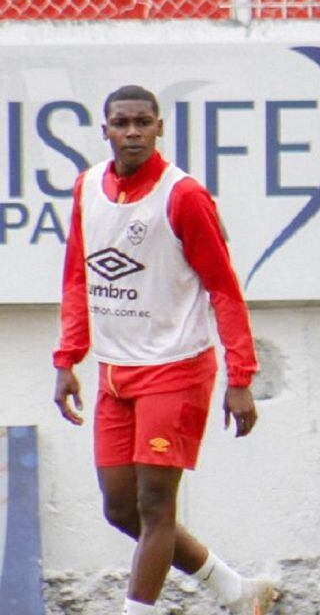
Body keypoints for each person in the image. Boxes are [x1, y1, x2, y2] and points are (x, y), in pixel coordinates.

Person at [51, 85, 277, 615]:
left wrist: (240, 377)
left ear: (159, 128)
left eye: (143, 122)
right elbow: (77, 279)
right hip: (114, 373)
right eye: (122, 123)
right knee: (120, 508)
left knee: (155, 505)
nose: (132, 132)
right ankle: (236, 592)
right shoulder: (87, 188)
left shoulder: (183, 195)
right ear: (104, 129)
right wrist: (67, 359)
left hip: (174, 369)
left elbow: (223, 286)